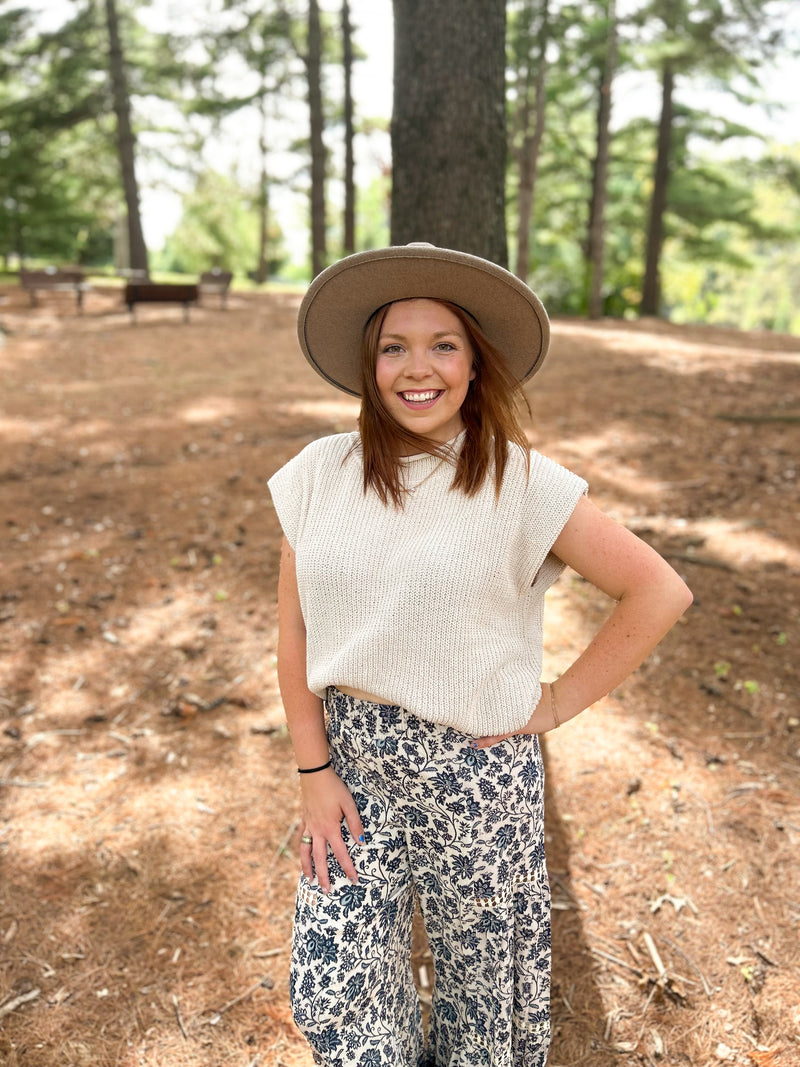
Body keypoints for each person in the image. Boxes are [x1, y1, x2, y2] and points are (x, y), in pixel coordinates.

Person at [268, 243, 692, 1067]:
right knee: (333, 983)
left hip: (476, 770)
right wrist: (313, 772)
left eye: (443, 345)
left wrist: (555, 703)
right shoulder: (321, 472)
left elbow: (657, 590)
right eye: (394, 346)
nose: (415, 368)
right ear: (369, 363)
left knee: (482, 1001)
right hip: (351, 765)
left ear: (473, 365)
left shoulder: (523, 483)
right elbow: (295, 631)